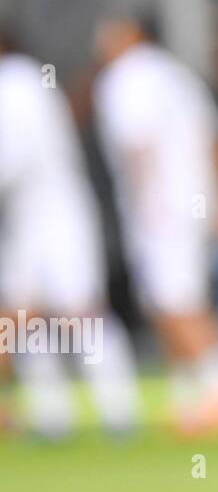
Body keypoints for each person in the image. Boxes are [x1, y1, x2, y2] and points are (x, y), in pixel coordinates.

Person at [93, 12, 218, 437]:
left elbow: (138, 147)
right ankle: (187, 399)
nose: (102, 38)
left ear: (132, 33)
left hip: (161, 206)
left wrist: (145, 204)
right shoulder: (177, 76)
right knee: (170, 296)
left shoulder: (126, 77)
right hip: (195, 202)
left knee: (173, 300)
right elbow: (215, 142)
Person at [0, 24, 142, 439]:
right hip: (24, 217)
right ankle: (51, 415)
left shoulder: (18, 80)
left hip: (58, 215)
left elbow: (15, 156)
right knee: (22, 315)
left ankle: (118, 411)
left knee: (79, 310)